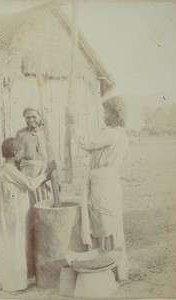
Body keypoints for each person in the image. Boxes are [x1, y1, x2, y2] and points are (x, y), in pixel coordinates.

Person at [67, 96, 129, 281]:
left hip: (102, 183)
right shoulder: (120, 134)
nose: (103, 116)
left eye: (106, 112)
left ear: (115, 114)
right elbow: (94, 149)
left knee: (103, 223)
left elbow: (86, 142)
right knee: (108, 222)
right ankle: (116, 269)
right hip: (109, 181)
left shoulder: (111, 134)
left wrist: (74, 123)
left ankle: (106, 268)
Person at [0, 137, 56, 292]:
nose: (23, 155)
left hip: (13, 212)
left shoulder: (9, 169)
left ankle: (16, 281)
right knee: (15, 245)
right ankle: (15, 283)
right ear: (16, 153)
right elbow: (30, 184)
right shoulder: (9, 170)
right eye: (21, 151)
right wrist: (46, 173)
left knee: (15, 244)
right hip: (13, 214)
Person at [16, 106, 50, 202]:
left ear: (39, 117)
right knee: (30, 204)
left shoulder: (46, 133)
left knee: (46, 202)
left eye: (33, 117)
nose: (31, 120)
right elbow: (16, 159)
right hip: (28, 176)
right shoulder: (20, 134)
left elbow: (52, 158)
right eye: (28, 117)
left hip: (44, 176)